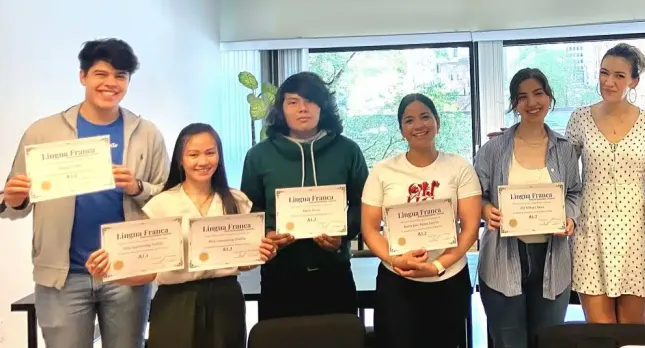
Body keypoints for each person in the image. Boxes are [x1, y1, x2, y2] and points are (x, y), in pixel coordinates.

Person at [0, 38, 168, 348]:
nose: (111, 83)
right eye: (101, 74)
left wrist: (137, 187)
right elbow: (14, 203)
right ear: (83, 77)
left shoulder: (147, 134)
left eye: (120, 76)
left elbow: (168, 200)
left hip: (126, 272)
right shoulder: (43, 132)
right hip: (63, 278)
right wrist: (13, 199)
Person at [85, 123, 276, 348]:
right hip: (175, 304)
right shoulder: (161, 205)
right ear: (180, 160)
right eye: (193, 154)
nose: (203, 162)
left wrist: (263, 253)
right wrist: (110, 272)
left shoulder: (237, 201)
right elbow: (148, 272)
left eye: (210, 153)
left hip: (227, 301)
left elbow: (243, 265)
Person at [240, 71, 369, 320]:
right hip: (280, 276)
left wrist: (342, 234)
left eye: (310, 100)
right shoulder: (258, 156)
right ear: (281, 109)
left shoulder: (347, 150)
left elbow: (364, 205)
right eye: (293, 102)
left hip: (334, 273)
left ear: (323, 106)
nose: (302, 109)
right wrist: (267, 233)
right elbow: (249, 211)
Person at [360, 93, 482, 348]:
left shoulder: (459, 167)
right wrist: (394, 260)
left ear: (437, 121)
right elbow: (370, 230)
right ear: (401, 130)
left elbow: (470, 228)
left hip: (448, 279)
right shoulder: (382, 171)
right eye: (409, 120)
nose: (419, 125)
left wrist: (438, 265)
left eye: (426, 117)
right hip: (397, 280)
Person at [475, 68, 582, 348]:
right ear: (514, 104)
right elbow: (476, 196)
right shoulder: (493, 149)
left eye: (538, 93)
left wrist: (569, 218)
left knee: (548, 341)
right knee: (509, 342)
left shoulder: (565, 148)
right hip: (502, 260)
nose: (532, 102)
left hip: (553, 259)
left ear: (549, 97)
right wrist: (486, 211)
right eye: (522, 97)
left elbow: (574, 192)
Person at [566, 43, 645, 324]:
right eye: (604, 73)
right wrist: (522, 139)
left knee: (632, 334)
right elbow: (561, 170)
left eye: (619, 76)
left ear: (634, 81)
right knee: (600, 334)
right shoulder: (579, 118)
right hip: (591, 230)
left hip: (637, 231)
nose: (608, 81)